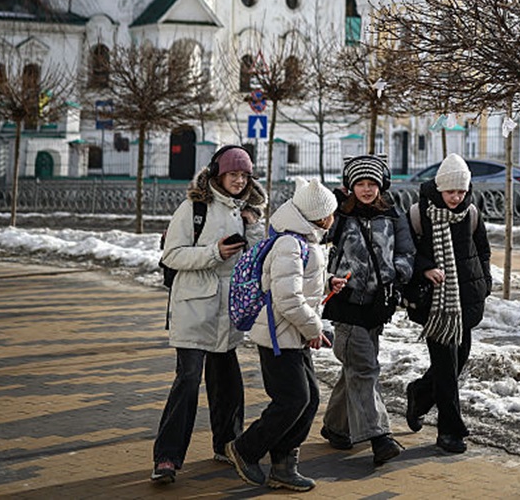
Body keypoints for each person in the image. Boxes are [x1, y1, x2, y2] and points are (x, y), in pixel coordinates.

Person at [151, 146, 266, 485]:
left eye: (244, 175)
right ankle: (167, 458)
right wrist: (213, 253)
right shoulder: (194, 207)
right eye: (233, 174)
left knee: (227, 383)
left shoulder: (249, 210)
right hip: (193, 308)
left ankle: (228, 446)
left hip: (227, 310)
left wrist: (254, 227)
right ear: (218, 173)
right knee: (187, 381)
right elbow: (172, 255)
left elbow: (256, 258)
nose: (239, 180)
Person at [226, 178, 337, 491]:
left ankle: (284, 466)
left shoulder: (305, 239)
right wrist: (314, 329)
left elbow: (301, 283)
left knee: (310, 398)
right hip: (279, 337)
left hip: (293, 335)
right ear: (320, 216)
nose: (333, 218)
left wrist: (328, 284)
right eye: (331, 213)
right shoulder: (290, 243)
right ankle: (245, 448)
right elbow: (287, 297)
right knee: (293, 400)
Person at [319, 155, 414, 467]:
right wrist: (327, 277)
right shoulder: (338, 215)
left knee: (356, 369)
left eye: (372, 183)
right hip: (346, 303)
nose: (366, 189)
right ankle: (379, 437)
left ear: (381, 185)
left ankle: (335, 427)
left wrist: (397, 273)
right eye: (360, 183)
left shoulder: (392, 215)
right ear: (350, 186)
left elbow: (405, 251)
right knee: (364, 369)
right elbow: (315, 251)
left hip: (378, 305)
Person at [404, 153, 492, 455]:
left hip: (465, 301)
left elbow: (482, 250)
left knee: (459, 359)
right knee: (445, 367)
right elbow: (405, 252)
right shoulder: (418, 214)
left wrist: (485, 282)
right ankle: (449, 431)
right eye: (451, 191)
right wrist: (425, 267)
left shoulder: (470, 214)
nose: (456, 197)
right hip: (437, 305)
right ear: (439, 187)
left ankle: (420, 393)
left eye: (462, 191)